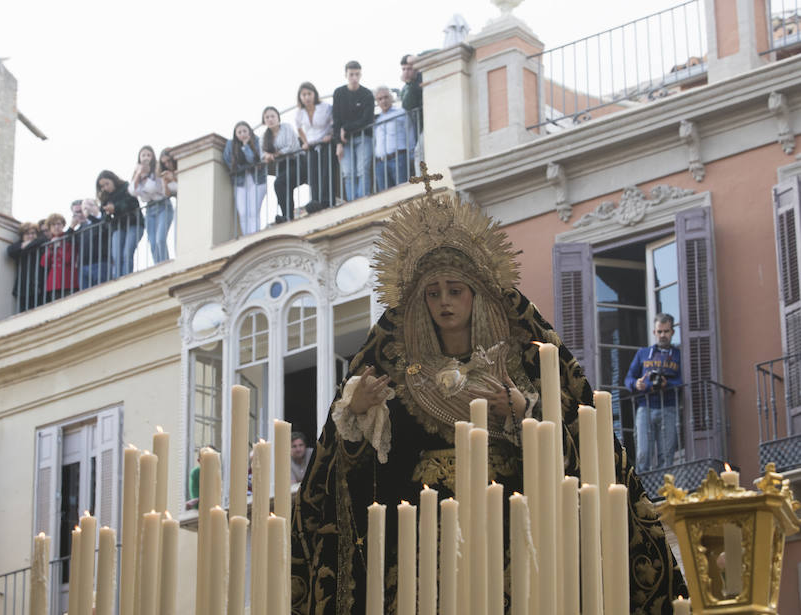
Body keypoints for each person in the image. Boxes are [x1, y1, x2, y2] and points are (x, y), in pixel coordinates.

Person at [290, 185, 686, 614]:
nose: (444, 301)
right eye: (433, 291)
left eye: (454, 289)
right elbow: (353, 476)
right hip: (424, 546)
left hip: (510, 534)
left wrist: (523, 416)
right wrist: (360, 413)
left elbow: (579, 449)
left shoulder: (526, 362)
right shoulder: (394, 372)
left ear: (476, 293)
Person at [625, 313, 683, 472]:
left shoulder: (679, 355)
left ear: (672, 332)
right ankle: (642, 491)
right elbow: (628, 379)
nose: (663, 335)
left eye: (666, 331)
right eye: (660, 332)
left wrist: (667, 384)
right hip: (645, 407)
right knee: (643, 453)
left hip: (669, 407)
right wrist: (637, 384)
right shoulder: (643, 353)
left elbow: (683, 381)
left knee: (667, 455)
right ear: (654, 333)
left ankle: (665, 490)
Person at [333, 61, 374, 202]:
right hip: (345, 141)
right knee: (348, 173)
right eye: (351, 74)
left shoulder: (367, 94)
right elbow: (336, 119)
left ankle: (362, 200)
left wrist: (346, 128)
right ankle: (352, 202)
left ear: (360, 74)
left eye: (357, 74)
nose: (354, 77)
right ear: (346, 75)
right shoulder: (339, 93)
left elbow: (367, 119)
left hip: (363, 137)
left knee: (363, 170)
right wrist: (338, 142)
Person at [129, 145, 174, 264]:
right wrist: (139, 174)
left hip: (163, 205)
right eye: (143, 155)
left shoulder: (157, 171)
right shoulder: (137, 172)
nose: (146, 157)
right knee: (153, 242)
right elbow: (133, 191)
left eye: (148, 155)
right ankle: (158, 265)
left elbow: (153, 188)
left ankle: (165, 264)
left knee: (160, 239)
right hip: (150, 209)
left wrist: (145, 176)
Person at [223, 121, 267, 235]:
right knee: (243, 212)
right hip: (240, 182)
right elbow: (228, 161)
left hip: (257, 180)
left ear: (249, 132)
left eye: (244, 131)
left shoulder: (257, 141)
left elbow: (252, 160)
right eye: (239, 132)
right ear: (235, 134)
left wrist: (246, 146)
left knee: (254, 211)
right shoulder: (230, 145)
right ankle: (246, 235)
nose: (242, 134)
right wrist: (244, 166)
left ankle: (254, 234)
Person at [295, 82, 333, 213]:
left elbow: (333, 121)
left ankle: (326, 200)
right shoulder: (300, 113)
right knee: (313, 174)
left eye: (309, 94)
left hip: (325, 143)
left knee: (325, 172)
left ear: (314, 94)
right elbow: (299, 128)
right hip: (311, 146)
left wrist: (330, 134)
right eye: (304, 95)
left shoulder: (325, 107)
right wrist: (304, 142)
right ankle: (316, 201)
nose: (307, 97)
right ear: (300, 97)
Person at [97, 170, 143, 279]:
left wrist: (115, 208)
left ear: (113, 180)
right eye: (102, 186)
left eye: (107, 184)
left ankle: (126, 278)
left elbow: (132, 204)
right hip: (117, 227)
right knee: (116, 255)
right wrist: (108, 213)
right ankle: (118, 279)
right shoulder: (105, 198)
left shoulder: (126, 187)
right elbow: (104, 218)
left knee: (127, 253)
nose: (105, 188)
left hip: (133, 224)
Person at [260, 106, 303, 224]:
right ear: (264, 121)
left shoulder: (286, 127)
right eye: (267, 117)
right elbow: (261, 154)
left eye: (272, 116)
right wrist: (266, 156)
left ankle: (288, 216)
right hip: (282, 166)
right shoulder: (264, 137)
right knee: (282, 186)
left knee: (279, 183)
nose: (270, 119)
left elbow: (292, 146)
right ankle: (287, 216)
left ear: (278, 117)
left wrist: (275, 155)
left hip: (296, 161)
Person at [372, 86, 417, 192]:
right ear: (377, 102)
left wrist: (411, 155)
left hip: (398, 159)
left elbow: (410, 132)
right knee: (385, 198)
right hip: (380, 163)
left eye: (386, 97)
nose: (383, 101)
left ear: (391, 98)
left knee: (402, 193)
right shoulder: (376, 120)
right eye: (380, 99)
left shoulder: (401, 112)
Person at [69, 198, 110, 290]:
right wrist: (71, 227)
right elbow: (69, 241)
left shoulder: (101, 218)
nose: (79, 215)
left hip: (100, 263)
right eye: (76, 213)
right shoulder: (81, 228)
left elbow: (105, 227)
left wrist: (90, 216)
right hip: (83, 266)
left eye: (82, 210)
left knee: (101, 292)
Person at [7, 221, 45, 312]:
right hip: (24, 287)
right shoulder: (18, 245)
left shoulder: (39, 242)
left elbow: (42, 240)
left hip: (38, 284)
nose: (31, 236)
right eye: (27, 234)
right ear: (22, 236)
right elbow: (10, 251)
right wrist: (22, 246)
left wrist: (26, 245)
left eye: (33, 233)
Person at [40, 212, 78, 302]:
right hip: (53, 282)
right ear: (49, 228)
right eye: (53, 225)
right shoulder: (49, 242)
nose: (56, 227)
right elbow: (44, 264)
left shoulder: (69, 237)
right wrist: (51, 248)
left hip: (68, 279)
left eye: (58, 224)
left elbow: (68, 259)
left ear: (63, 225)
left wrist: (58, 246)